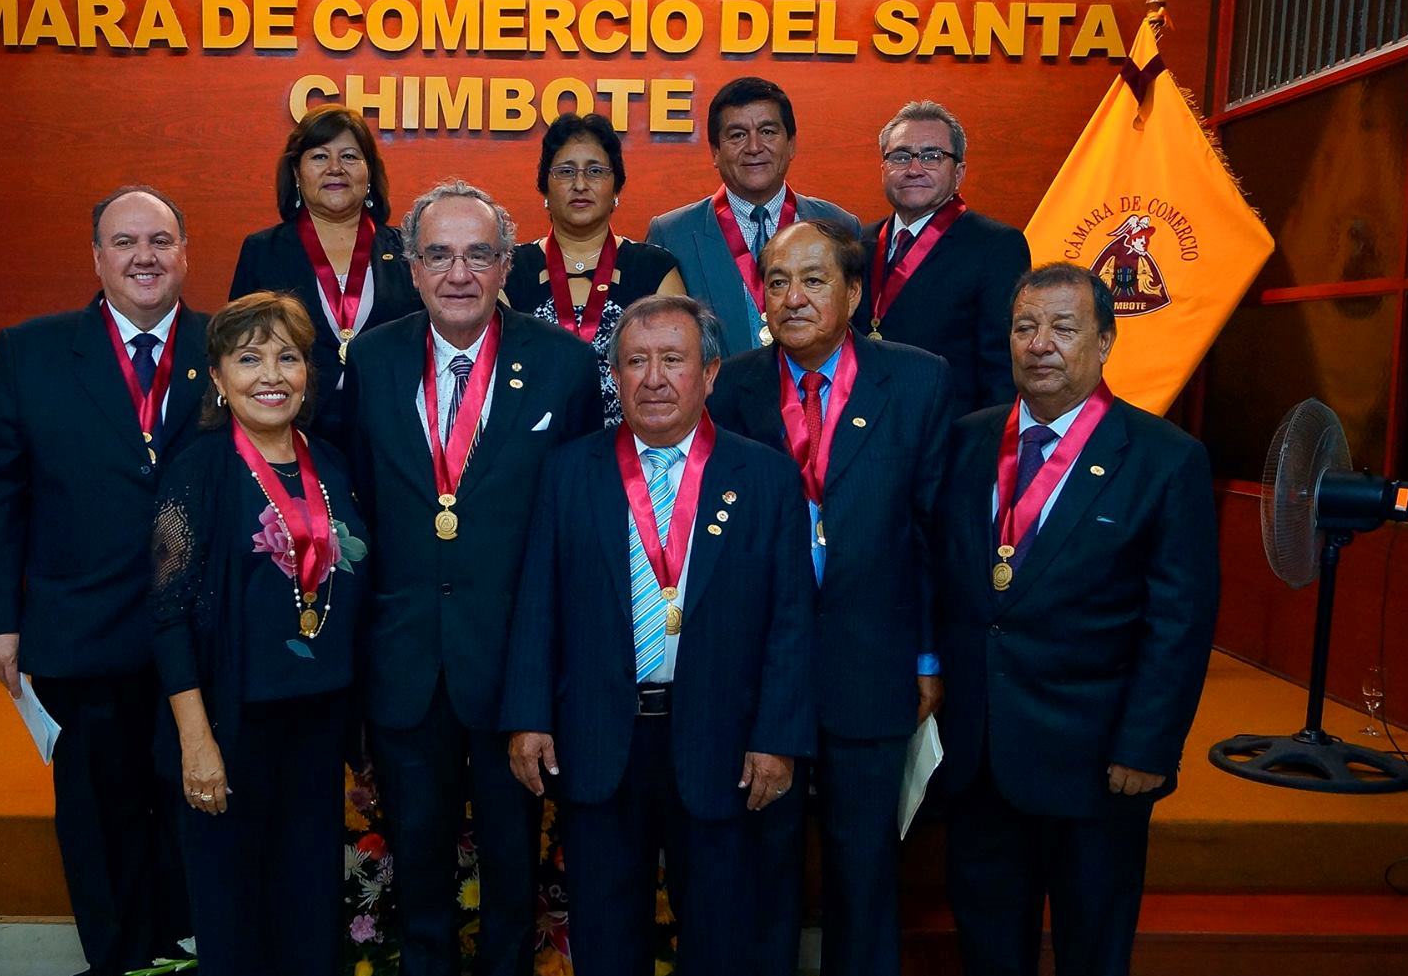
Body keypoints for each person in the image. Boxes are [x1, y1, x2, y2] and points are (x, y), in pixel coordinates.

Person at [501, 294, 816, 976]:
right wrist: (528, 715)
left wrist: (778, 737)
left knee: (721, 939)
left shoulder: (764, 476)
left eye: (673, 360)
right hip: (600, 739)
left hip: (723, 741)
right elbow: (537, 601)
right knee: (606, 940)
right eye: (635, 362)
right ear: (614, 376)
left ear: (710, 373)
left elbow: (791, 619)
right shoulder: (569, 471)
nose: (653, 379)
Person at [341, 179, 601, 976]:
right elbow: (359, 508)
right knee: (417, 868)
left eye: (479, 254)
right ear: (412, 266)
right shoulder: (373, 358)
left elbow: (577, 522)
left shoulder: (562, 363)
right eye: (440, 254)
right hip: (406, 662)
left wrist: (551, 672)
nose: (459, 273)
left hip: (514, 667)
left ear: (506, 266)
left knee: (512, 869)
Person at [934, 263, 1218, 976]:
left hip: (1097, 762)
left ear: (1106, 341)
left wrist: (1148, 746)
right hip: (980, 755)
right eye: (1025, 327)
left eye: (1063, 328)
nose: (1040, 344)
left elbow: (1179, 622)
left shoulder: (1164, 459)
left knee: (1092, 949)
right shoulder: (966, 442)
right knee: (987, 948)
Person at [0, 185, 206, 976]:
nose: (144, 256)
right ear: (96, 256)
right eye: (125, 241)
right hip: (80, 628)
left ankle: (188, 953)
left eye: (160, 240)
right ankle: (119, 962)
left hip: (203, 633)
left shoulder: (230, 345)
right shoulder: (30, 353)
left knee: (193, 801)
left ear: (184, 253)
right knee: (101, 813)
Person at [708, 219, 953, 976]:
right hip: (760, 669)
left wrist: (927, 653)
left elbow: (933, 530)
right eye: (777, 282)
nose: (793, 297)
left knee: (864, 864)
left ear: (853, 293)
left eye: (814, 281)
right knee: (764, 859)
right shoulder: (733, 386)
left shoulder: (917, 380)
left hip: (872, 656)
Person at [147, 292, 369, 976]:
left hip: (318, 726)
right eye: (249, 359)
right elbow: (167, 612)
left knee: (309, 914)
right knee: (235, 919)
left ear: (308, 374)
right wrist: (196, 742)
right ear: (218, 376)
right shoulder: (197, 469)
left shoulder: (332, 463)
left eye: (287, 357)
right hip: (231, 729)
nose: (271, 375)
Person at [229, 103, 421, 445]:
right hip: (293, 428)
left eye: (349, 156)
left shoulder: (408, 249)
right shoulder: (263, 250)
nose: (335, 168)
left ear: (369, 172)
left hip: (391, 428)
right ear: (297, 172)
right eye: (319, 157)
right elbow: (238, 349)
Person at [647, 76, 860, 356]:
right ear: (715, 151)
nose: (754, 147)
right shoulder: (672, 234)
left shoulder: (841, 224)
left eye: (768, 131)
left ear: (791, 144)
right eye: (737, 135)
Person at [504, 112, 686, 427]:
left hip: (633, 445)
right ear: (544, 188)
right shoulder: (509, 269)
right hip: (531, 444)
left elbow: (678, 370)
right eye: (565, 172)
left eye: (595, 171)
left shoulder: (654, 268)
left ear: (616, 187)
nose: (580, 184)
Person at [853, 100, 1031, 415]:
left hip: (948, 430)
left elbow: (1002, 368)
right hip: (864, 423)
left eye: (931, 156)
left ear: (958, 172)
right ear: (883, 169)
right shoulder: (859, 242)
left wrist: (985, 438)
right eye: (900, 156)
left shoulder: (997, 245)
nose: (914, 169)